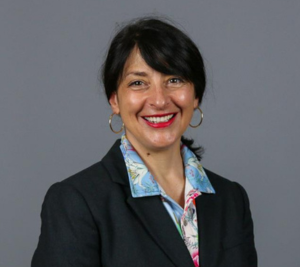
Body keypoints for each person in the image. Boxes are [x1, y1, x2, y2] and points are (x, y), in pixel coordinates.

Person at [32, 17, 257, 267]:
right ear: (115, 100)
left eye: (174, 80)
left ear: (196, 96)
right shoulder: (76, 202)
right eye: (138, 83)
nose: (159, 100)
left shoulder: (231, 198)